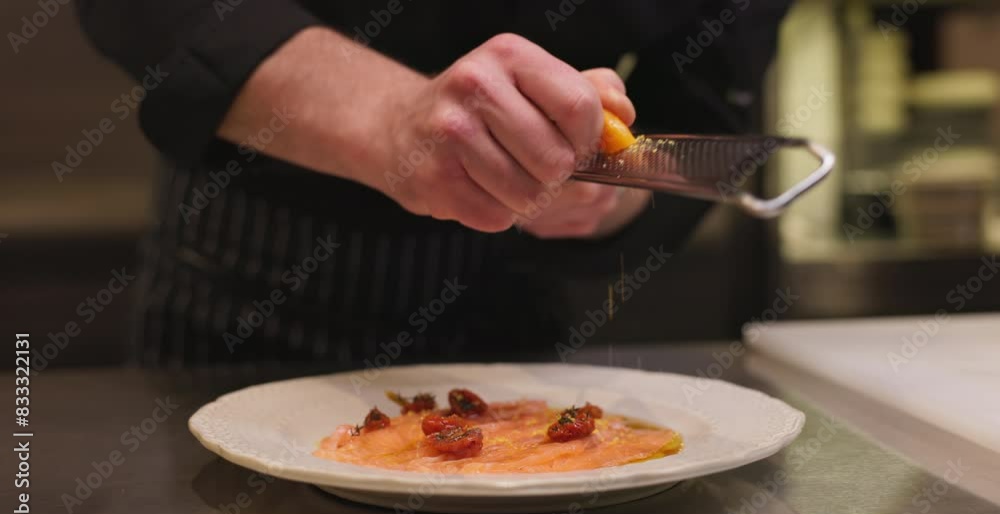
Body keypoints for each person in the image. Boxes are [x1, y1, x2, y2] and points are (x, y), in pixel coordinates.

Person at [74, 1, 791, 369]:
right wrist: (390, 120)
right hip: (241, 293)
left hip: (516, 317)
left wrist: (597, 188)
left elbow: (701, 93)